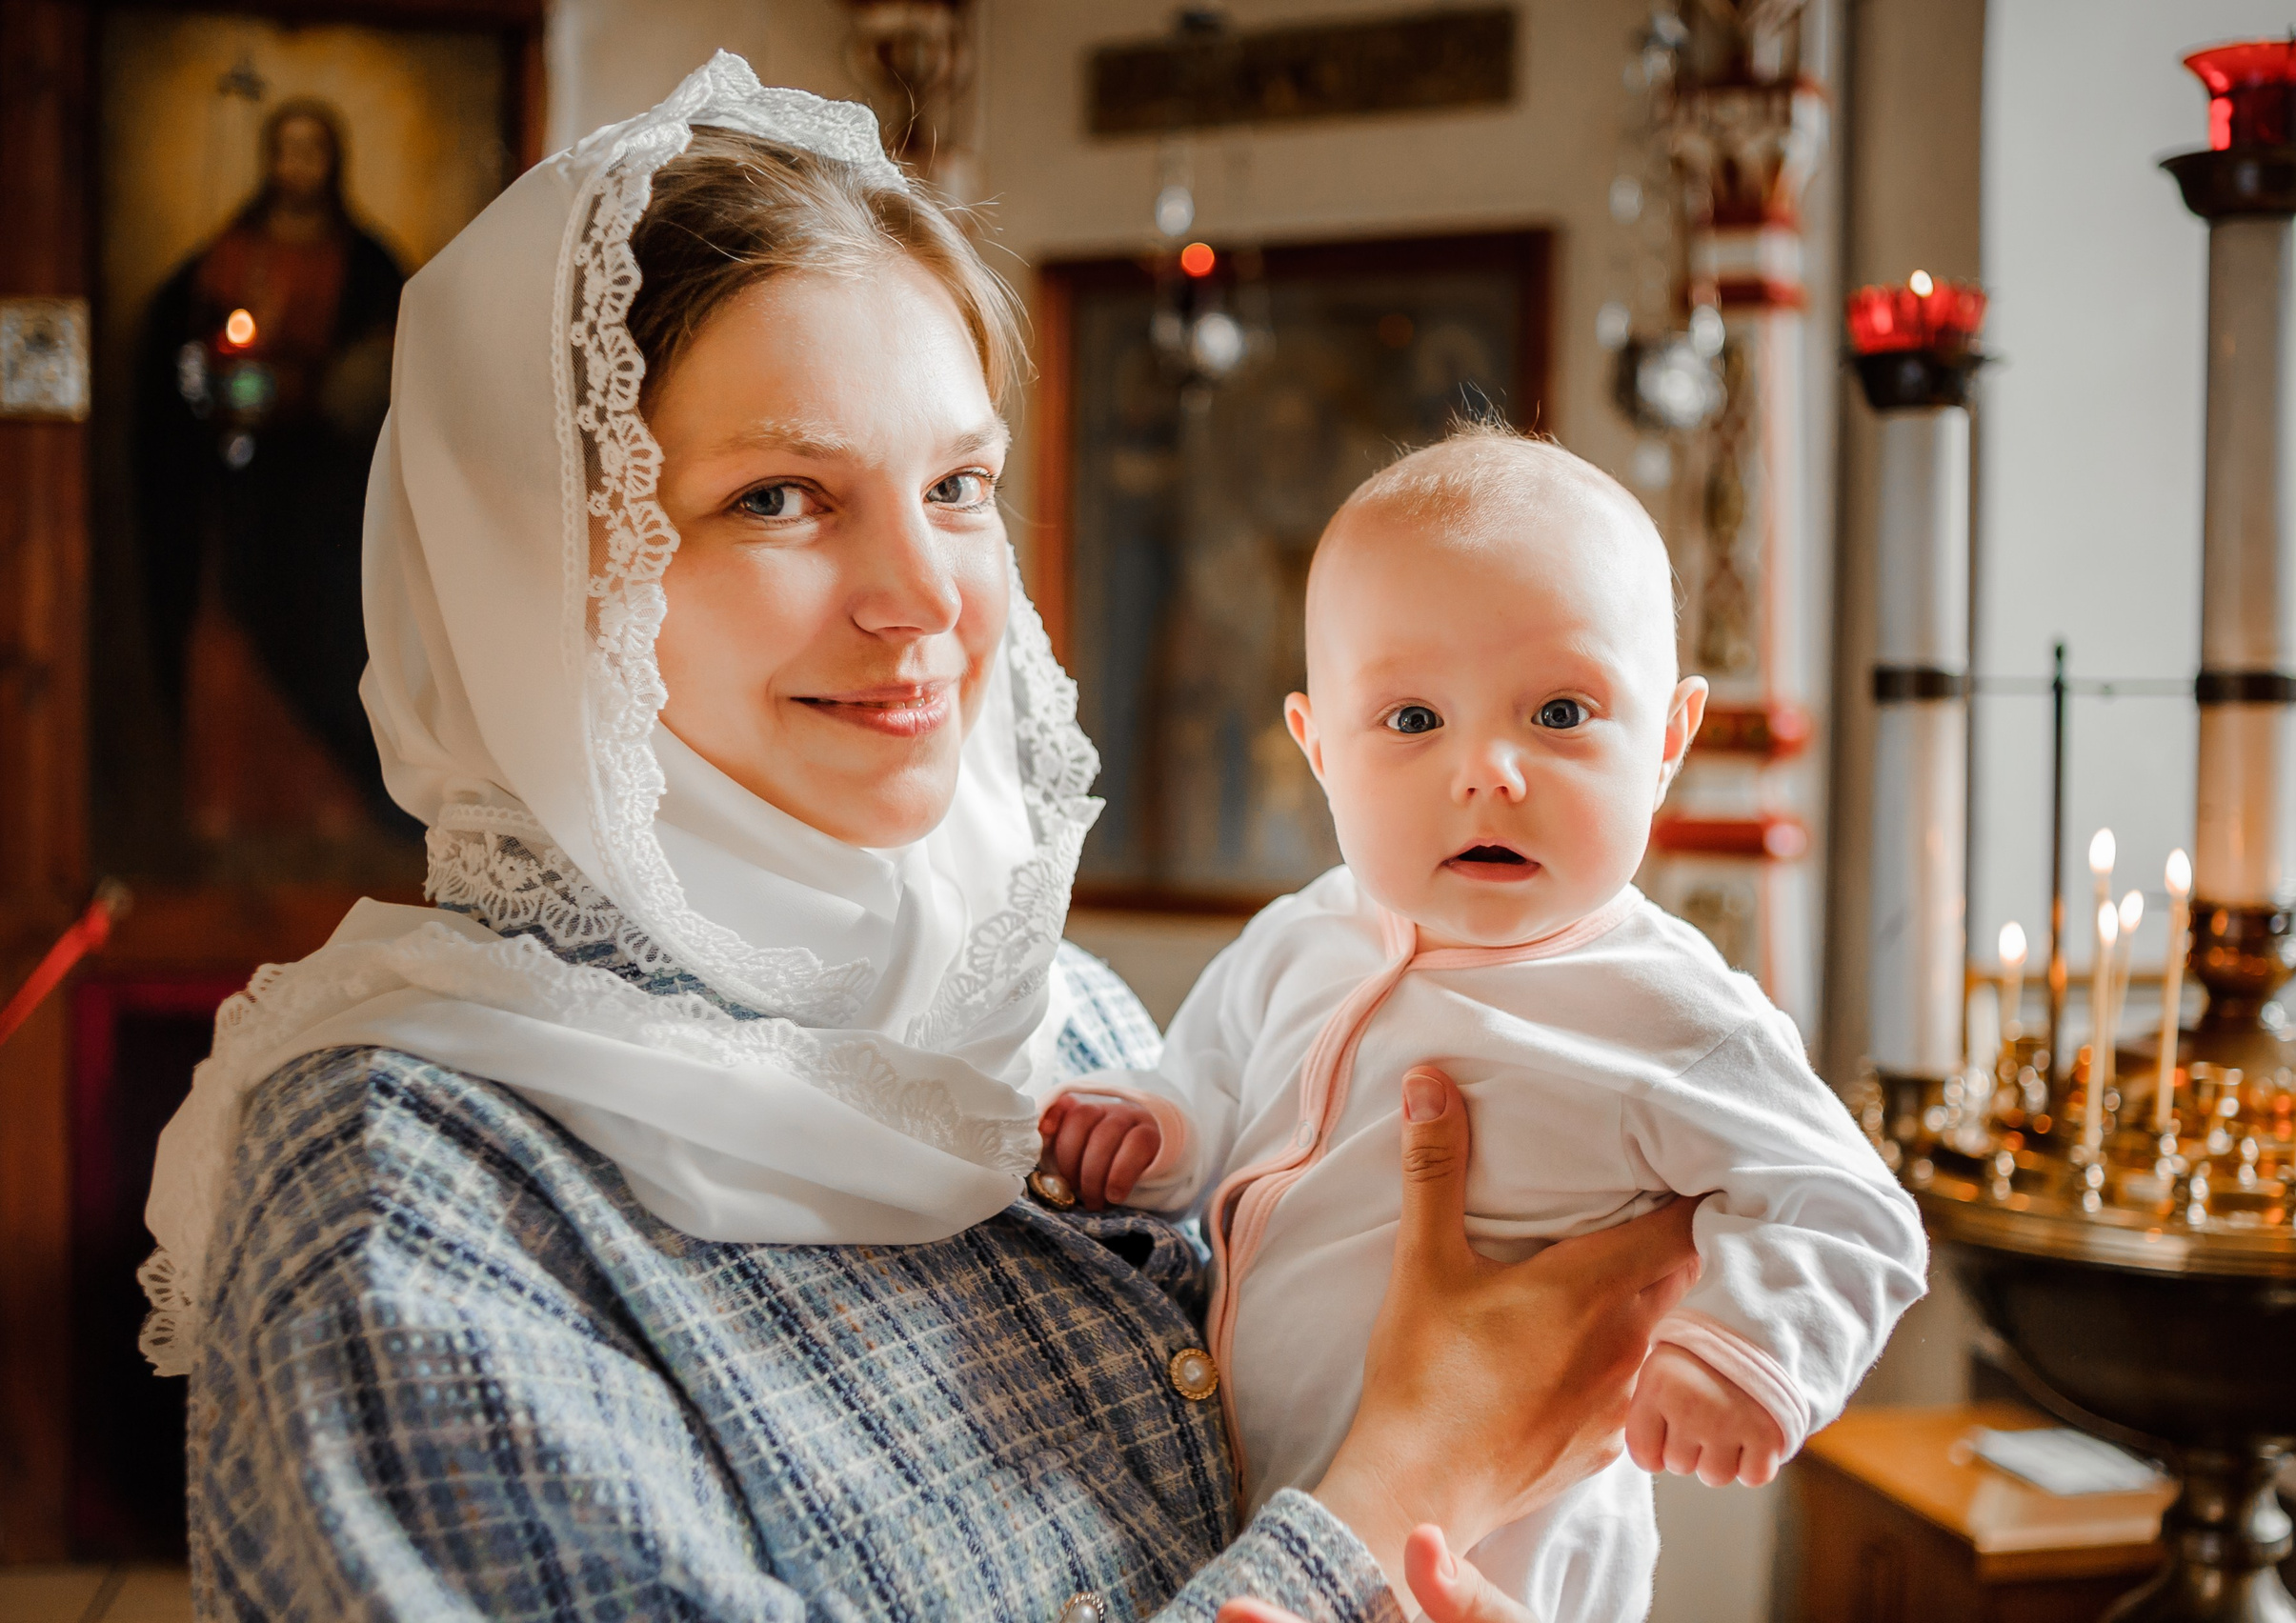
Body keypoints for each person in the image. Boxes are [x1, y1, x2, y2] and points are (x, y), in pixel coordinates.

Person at [140, 56, 1700, 1621]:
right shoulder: (410, 1194)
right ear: (544, 574)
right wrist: (1400, 1486)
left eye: (958, 483)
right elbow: (1381, 1474)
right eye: (778, 497)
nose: (928, 594)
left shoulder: (1067, 1020)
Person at [1038, 429, 1930, 1620]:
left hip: (1506, 1559)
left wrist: (1745, 1351)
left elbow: (1847, 1208)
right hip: (1254, 1508)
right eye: (1411, 721)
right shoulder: (1301, 935)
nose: (1486, 772)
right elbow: (1206, 1077)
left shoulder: (1666, 1008)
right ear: (1318, 751)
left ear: (1666, 741)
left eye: (1560, 710)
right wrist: (1153, 1128)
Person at [132, 98, 412, 825]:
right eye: (284, 149)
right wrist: (217, 387)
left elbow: (394, 366)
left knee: (323, 636)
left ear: (333, 162)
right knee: (234, 630)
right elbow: (183, 355)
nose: (296, 166)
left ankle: (334, 809)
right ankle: (229, 807)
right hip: (241, 481)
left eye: (311, 150)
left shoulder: (369, 264)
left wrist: (330, 387)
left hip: (328, 491)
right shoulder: (227, 253)